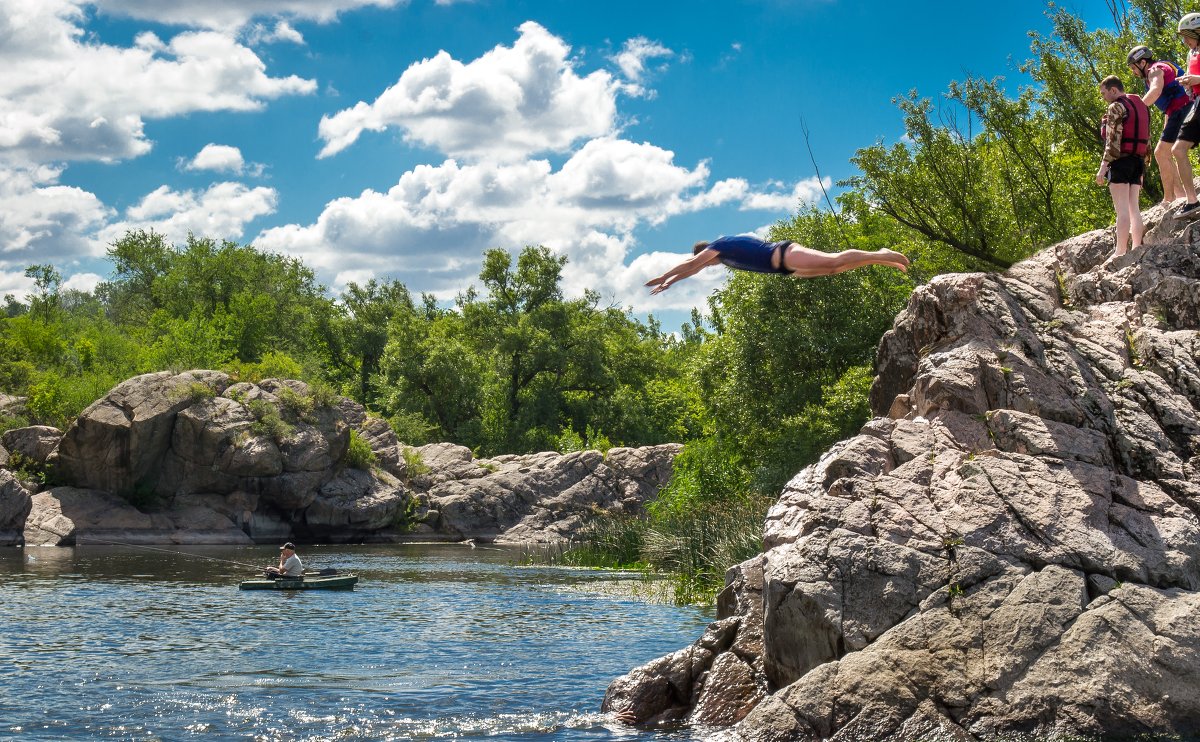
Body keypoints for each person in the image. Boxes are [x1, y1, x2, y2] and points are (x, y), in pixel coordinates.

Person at [644, 235, 909, 295]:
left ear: (706, 253)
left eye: (707, 263)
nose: (708, 266)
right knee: (833, 269)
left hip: (785, 255)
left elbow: (691, 264)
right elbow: (694, 268)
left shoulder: (719, 246)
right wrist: (670, 281)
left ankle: (881, 253)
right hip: (786, 268)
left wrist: (665, 277)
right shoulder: (722, 256)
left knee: (834, 260)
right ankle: (880, 258)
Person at [1127, 45, 1191, 204]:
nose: (1133, 72)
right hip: (1177, 112)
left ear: (1142, 63)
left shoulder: (1155, 70)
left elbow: (1155, 90)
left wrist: (1135, 110)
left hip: (1186, 108)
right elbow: (1169, 106)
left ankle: (1171, 198)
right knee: (1162, 152)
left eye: (1133, 68)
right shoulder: (1160, 68)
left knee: (1164, 152)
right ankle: (1177, 196)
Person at [1096, 75, 1148, 257]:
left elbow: (1112, 142)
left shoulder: (1116, 107)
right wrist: (1143, 165)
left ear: (1113, 90)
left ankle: (1120, 253)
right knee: (1134, 208)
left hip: (1121, 162)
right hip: (1138, 161)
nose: (1103, 97)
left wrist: (1103, 168)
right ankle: (1137, 248)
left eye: (1104, 93)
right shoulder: (1140, 104)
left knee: (1122, 210)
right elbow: (1146, 137)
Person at [1171, 13, 1200, 218]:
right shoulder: (1193, 53)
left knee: (1178, 149)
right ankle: (1192, 201)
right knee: (1178, 150)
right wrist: (1188, 82)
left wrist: (1194, 79)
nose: (1185, 40)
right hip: (1197, 102)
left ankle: (1192, 202)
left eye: (1187, 35)